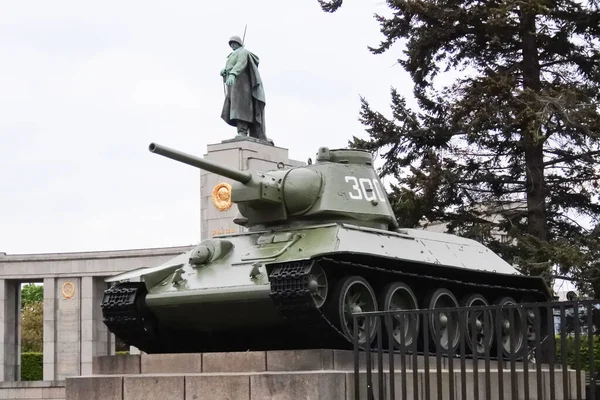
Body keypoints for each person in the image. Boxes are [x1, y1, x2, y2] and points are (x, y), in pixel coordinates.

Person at [220, 35, 268, 142]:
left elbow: (240, 63)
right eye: (231, 43)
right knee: (235, 108)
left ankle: (242, 131)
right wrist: (225, 72)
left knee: (241, 108)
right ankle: (241, 130)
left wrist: (232, 73)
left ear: (239, 43)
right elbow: (230, 67)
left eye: (234, 42)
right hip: (233, 86)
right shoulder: (231, 55)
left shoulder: (243, 52)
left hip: (242, 86)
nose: (232, 45)